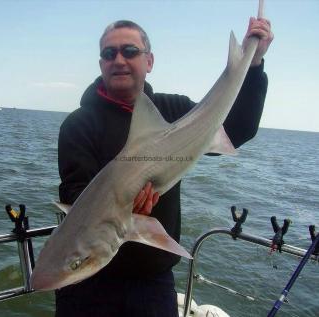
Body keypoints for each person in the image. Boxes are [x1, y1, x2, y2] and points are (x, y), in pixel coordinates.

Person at [56, 17, 273, 317]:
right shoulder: (78, 124)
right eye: (109, 53)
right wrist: (126, 209)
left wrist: (254, 63)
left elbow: (238, 127)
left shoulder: (173, 110)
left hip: (152, 284)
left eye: (129, 51)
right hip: (89, 282)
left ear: (149, 60)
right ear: (101, 63)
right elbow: (75, 195)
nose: (118, 59)